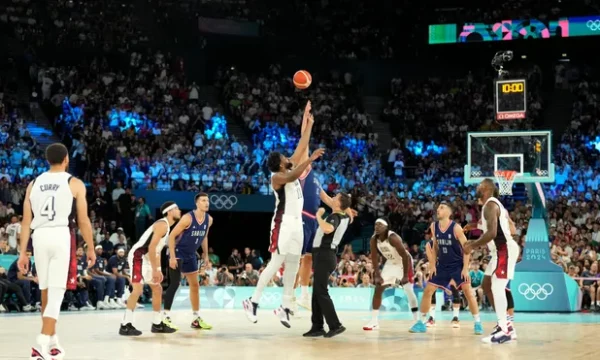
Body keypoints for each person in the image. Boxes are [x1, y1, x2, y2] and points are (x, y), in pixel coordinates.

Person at [242, 110, 325, 327]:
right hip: (283, 223)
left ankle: (285, 307)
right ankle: (253, 301)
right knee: (276, 262)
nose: (289, 158)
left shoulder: (288, 165)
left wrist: (309, 125)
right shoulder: (277, 176)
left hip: (297, 223)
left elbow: (301, 145)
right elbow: (293, 174)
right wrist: (310, 159)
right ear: (279, 164)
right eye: (284, 158)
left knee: (293, 265)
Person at [17, 143, 96, 360]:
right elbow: (83, 220)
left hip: (39, 236)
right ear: (67, 158)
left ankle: (52, 341)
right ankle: (41, 341)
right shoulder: (74, 183)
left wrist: (23, 252)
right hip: (61, 234)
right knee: (58, 289)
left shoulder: (33, 184)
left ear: (47, 160)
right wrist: (90, 246)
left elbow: (26, 222)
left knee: (45, 289)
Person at [294, 101, 357, 310]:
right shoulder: (303, 171)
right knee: (300, 257)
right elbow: (304, 144)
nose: (308, 158)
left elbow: (331, 202)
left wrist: (346, 209)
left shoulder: (316, 180)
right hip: (303, 217)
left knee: (309, 259)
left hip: (314, 222)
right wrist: (306, 119)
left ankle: (303, 294)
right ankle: (290, 294)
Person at [409, 202, 483, 335]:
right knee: (428, 291)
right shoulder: (434, 226)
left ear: (449, 213)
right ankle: (421, 322)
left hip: (457, 265)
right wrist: (432, 265)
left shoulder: (456, 228)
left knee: (468, 292)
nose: (438, 210)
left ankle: (477, 323)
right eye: (438, 208)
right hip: (442, 265)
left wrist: (465, 268)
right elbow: (435, 246)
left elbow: (467, 248)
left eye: (442, 208)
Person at [464, 179, 520, 344]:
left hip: (504, 250)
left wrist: (472, 245)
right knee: (487, 284)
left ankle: (505, 329)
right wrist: (473, 226)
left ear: (487, 188)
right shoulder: (490, 206)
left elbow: (492, 233)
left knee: (497, 287)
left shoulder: (490, 205)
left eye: (480, 185)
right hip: (498, 251)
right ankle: (505, 325)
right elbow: (490, 228)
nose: (477, 188)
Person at [119, 201, 182, 336]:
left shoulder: (167, 227)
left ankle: (157, 324)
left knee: (157, 288)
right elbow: (151, 247)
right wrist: (155, 270)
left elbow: (157, 250)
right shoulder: (162, 225)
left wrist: (158, 268)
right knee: (137, 289)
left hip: (147, 258)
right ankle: (125, 325)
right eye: (176, 208)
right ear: (169, 211)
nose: (179, 211)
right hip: (138, 256)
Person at [303, 194, 351, 338]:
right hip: (325, 256)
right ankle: (317, 326)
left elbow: (328, 229)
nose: (333, 198)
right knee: (317, 291)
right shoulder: (344, 216)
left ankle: (335, 325)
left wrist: (318, 216)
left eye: (335, 198)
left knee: (321, 291)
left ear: (338, 203)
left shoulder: (334, 217)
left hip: (324, 255)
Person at [163, 192, 213, 330]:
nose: (206, 203)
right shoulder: (187, 218)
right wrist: (172, 257)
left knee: (195, 286)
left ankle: (196, 318)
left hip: (191, 254)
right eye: (203, 200)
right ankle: (165, 317)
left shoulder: (209, 220)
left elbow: (204, 237)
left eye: (207, 200)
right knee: (174, 284)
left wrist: (206, 255)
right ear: (197, 203)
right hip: (178, 252)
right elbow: (172, 236)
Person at [363, 217, 418, 330]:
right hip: (391, 262)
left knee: (408, 290)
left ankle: (417, 321)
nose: (376, 227)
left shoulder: (393, 237)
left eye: (380, 225)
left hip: (404, 261)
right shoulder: (374, 239)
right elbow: (374, 257)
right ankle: (374, 321)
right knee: (378, 288)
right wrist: (377, 274)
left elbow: (404, 256)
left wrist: (405, 275)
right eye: (375, 225)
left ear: (386, 227)